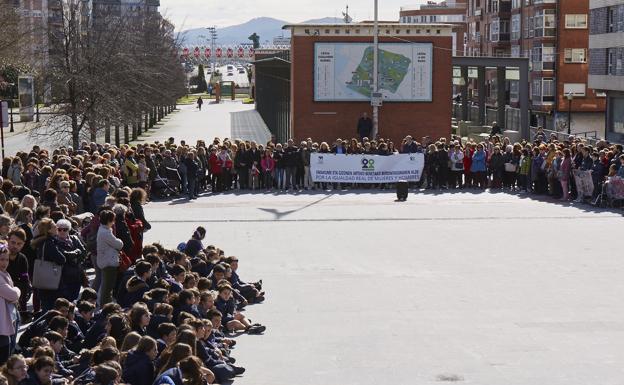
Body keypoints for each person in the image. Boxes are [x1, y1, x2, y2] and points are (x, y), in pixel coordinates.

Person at [96, 210, 123, 306]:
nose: (114, 222)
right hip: (108, 262)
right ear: (109, 221)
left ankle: (106, 304)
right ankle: (105, 307)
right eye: (113, 220)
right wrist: (119, 240)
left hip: (105, 261)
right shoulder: (106, 233)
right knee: (108, 288)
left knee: (106, 286)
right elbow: (119, 244)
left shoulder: (103, 230)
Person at [0, 242, 20, 365]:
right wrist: (17, 290)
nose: (4, 263)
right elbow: (13, 295)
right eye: (1, 259)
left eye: (6, 260)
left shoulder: (4, 274)